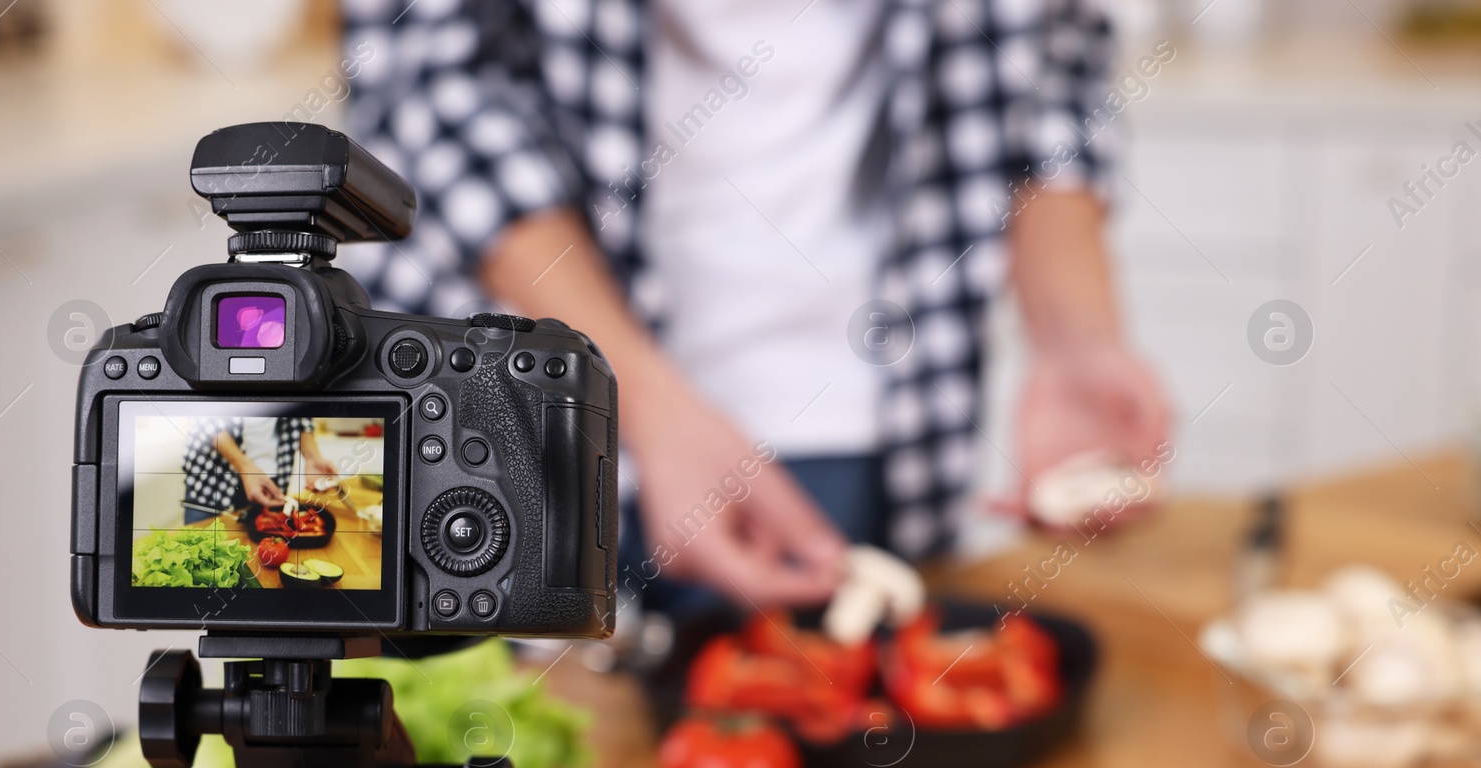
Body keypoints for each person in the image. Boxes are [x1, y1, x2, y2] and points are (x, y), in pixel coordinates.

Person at [342, 0, 1170, 609]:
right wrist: (639, 405)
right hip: (503, 397)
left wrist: (1073, 338)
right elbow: (426, 87)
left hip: (851, 410)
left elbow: (1050, 59)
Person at [182, 416, 338, 524]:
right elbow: (205, 418)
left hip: (272, 481)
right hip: (212, 483)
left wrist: (312, 457)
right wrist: (244, 466)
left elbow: (302, 414)